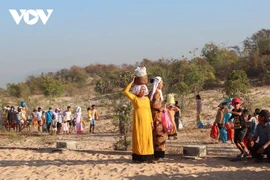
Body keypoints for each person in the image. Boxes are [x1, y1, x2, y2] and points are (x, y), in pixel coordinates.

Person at [124, 76, 154, 163]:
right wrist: (132, 82)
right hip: (138, 122)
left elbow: (149, 110)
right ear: (137, 90)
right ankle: (139, 156)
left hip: (147, 122)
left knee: (147, 138)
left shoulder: (147, 99)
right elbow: (126, 91)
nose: (143, 91)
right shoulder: (135, 99)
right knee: (139, 138)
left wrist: (151, 122)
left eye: (144, 89)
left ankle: (148, 156)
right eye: (142, 89)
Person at [149, 76, 166, 161]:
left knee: (153, 135)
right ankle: (158, 155)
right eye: (161, 83)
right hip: (157, 117)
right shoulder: (157, 93)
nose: (162, 85)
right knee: (159, 135)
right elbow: (156, 106)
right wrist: (163, 108)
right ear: (158, 84)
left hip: (152, 115)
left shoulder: (151, 92)